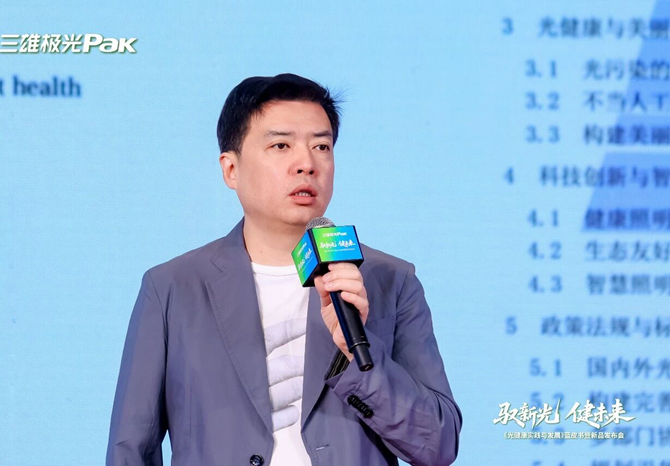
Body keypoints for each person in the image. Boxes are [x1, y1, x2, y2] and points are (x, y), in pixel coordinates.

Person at [106, 73, 462, 466]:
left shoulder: (389, 280)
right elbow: (130, 450)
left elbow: (438, 445)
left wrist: (357, 355)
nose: (307, 164)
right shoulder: (173, 288)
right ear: (231, 169)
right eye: (281, 145)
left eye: (321, 146)